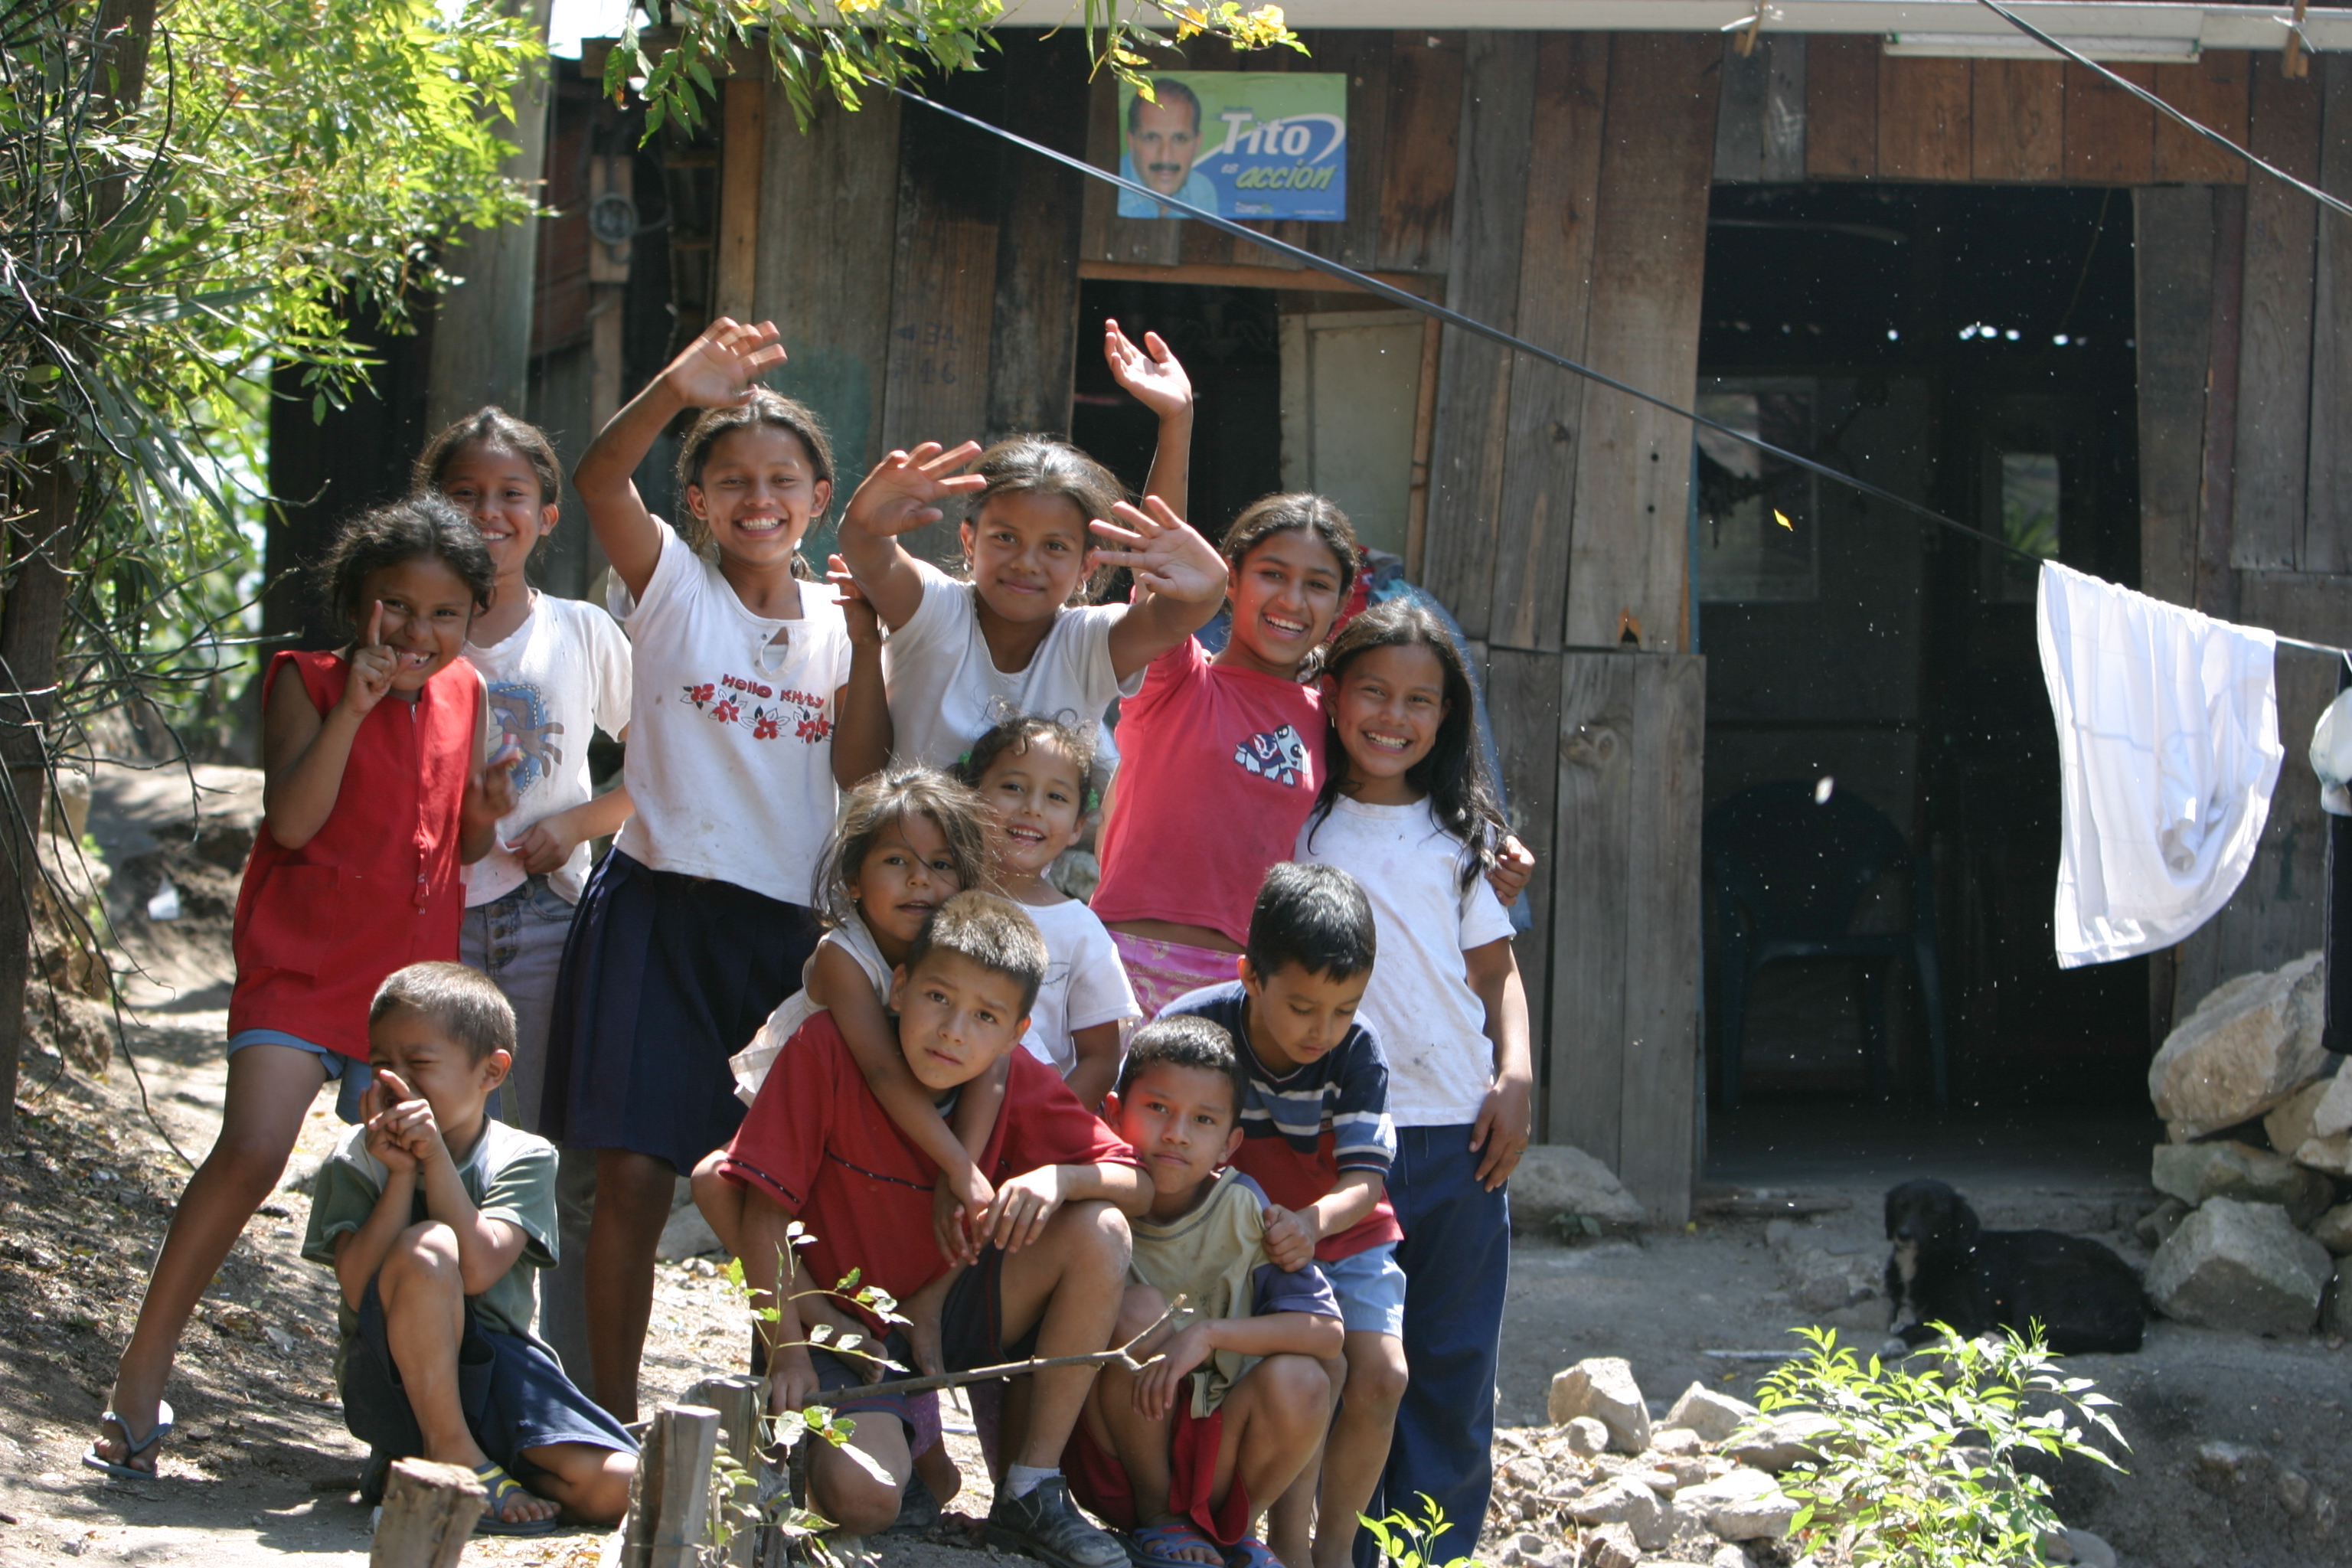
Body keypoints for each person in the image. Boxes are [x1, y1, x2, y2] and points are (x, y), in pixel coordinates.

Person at [86, 495, 519, 1479]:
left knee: (413, 1189)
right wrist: (358, 705)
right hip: (304, 961)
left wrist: (488, 814)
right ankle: (141, 1377)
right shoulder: (307, 681)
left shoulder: (467, 696)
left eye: (444, 613)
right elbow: (290, 821)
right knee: (250, 1152)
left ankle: (412, 1428)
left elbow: (460, 842)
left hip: (412, 987)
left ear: (472, 617)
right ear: (356, 602)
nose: (417, 631)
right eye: (395, 607)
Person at [547, 318, 891, 1420]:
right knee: (631, 1181)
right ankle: (605, 1421)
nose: (758, 497)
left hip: (788, 933)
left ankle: (782, 1422)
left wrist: (879, 632)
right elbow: (600, 477)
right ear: (695, 500)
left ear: (818, 494)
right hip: (658, 909)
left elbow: (862, 763)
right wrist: (670, 390)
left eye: (781, 479)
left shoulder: (847, 622)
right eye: (731, 478)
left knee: (774, 1184)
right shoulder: (671, 589)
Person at [706, 892, 1148, 1568]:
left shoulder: (1016, 1080)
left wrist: (1061, 1179)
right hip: (837, 1327)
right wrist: (789, 1349)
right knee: (867, 1500)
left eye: (985, 1017)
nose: (953, 1031)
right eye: (938, 998)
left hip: (948, 1313)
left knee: (1102, 1230)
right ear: (900, 987)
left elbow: (1138, 1184)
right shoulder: (826, 1049)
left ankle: (1031, 1486)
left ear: (1014, 1033)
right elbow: (762, 1209)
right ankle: (877, 1447)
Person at [1093, 492, 1534, 1019]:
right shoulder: (1179, 678)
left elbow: (1396, 792)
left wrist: (1492, 851)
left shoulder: (1329, 719)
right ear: (1229, 580)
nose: (1293, 600)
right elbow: (1163, 560)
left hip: (1244, 989)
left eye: (1318, 585)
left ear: (1344, 600)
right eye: (1272, 574)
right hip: (1121, 963)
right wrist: (1178, 423)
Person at [1297, 599, 1533, 1557]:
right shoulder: (1301, 826)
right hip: (1336, 1138)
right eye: (1373, 691)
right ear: (1333, 694)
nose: (1393, 715)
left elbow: (1496, 972)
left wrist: (1516, 1075)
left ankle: (1431, 1549)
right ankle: (1338, 1547)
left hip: (1458, 1133)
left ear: (1447, 716)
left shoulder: (1462, 840)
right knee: (1354, 1359)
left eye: (1420, 699)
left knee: (1450, 1362)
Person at [417, 404, 633, 1385]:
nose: (488, 512)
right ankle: (424, 1382)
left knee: (537, 1162)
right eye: (464, 493)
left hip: (552, 918)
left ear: (550, 516)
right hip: (429, 924)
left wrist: (578, 826)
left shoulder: (583, 632)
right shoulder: (416, 629)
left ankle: (543, 1391)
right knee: (426, 1152)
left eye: (511, 495)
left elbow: (668, 764)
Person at [302, 963, 637, 1533]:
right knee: (428, 1246)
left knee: (618, 1489)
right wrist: (401, 1176)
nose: (395, 1080)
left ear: (491, 1071)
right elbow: (358, 1290)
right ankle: (450, 1453)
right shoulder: (355, 1158)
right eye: (382, 1063)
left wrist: (434, 1160)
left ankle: (444, 1470)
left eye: (420, 1063)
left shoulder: (522, 1157)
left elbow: (479, 1268)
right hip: (392, 1375)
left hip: (501, 1372)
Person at [835, 320, 1220, 775]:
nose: (1026, 562)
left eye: (1055, 546)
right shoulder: (934, 611)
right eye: (1005, 537)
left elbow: (1170, 605)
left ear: (1087, 566)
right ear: (968, 540)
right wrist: (863, 521)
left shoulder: (1087, 645)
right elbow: (867, 552)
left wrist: (1177, 421)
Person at [1159, 864, 1403, 1568]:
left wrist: (1311, 1224)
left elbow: (1365, 1181)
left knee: (1382, 1375)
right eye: (1302, 1008)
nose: (1322, 1030)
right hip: (1235, 1237)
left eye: (1344, 1008)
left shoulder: (1358, 1052)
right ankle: (1277, 1545)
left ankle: (1336, 1552)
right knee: (1305, 1373)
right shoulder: (1193, 1028)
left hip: (1336, 1227)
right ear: (1251, 977)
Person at [1069, 1016, 1342, 1568]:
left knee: (1306, 1377)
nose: (1177, 1133)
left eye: (1203, 1120)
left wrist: (1210, 1333)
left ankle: (1233, 1527)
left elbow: (1326, 1330)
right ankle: (1158, 1520)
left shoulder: (1244, 1210)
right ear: (1114, 1112)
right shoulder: (1096, 1206)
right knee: (1140, 1311)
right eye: (1158, 1109)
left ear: (1229, 1143)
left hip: (1218, 1448)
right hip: (1120, 1455)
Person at [956, 715, 1139, 1110]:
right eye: (1013, 787)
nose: (1032, 808)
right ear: (970, 797)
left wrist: (1041, 1127)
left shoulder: (1080, 929)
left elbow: (1101, 1058)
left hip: (1030, 1127)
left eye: (1056, 797)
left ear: (1077, 826)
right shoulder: (942, 898)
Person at [1119, 78, 1218, 217]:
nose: (1165, 157)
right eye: (1152, 138)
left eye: (1180, 139)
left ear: (1197, 143)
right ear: (1131, 140)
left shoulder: (1202, 190)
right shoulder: (1108, 187)